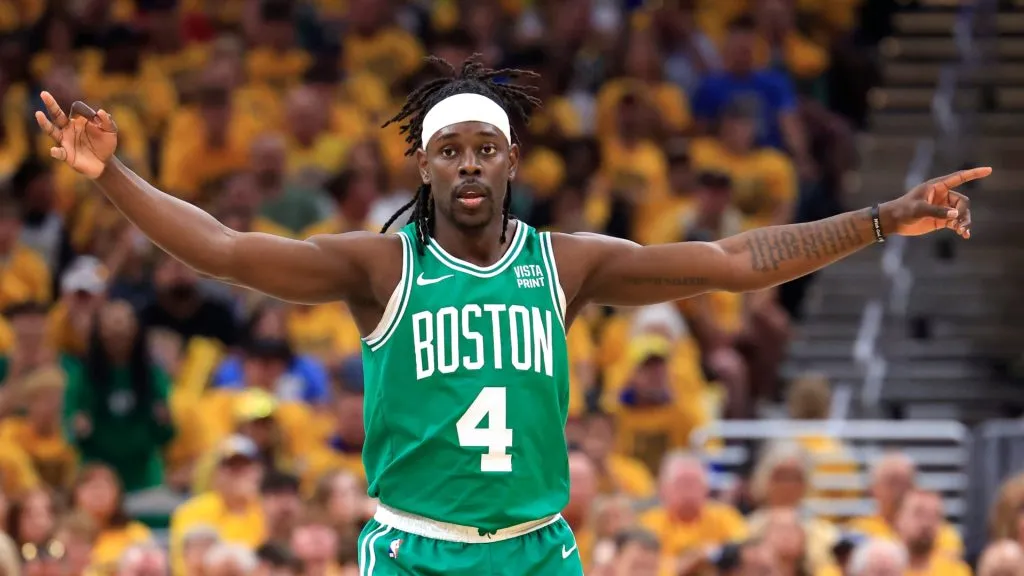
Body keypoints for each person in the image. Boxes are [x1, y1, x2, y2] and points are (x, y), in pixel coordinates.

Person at [36, 51, 982, 575]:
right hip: (415, 552)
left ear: (514, 162)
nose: (471, 165)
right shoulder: (381, 267)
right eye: (452, 151)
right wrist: (111, 174)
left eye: (488, 148)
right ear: (425, 167)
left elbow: (736, 261)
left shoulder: (563, 266)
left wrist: (877, 220)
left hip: (540, 552)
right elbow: (225, 250)